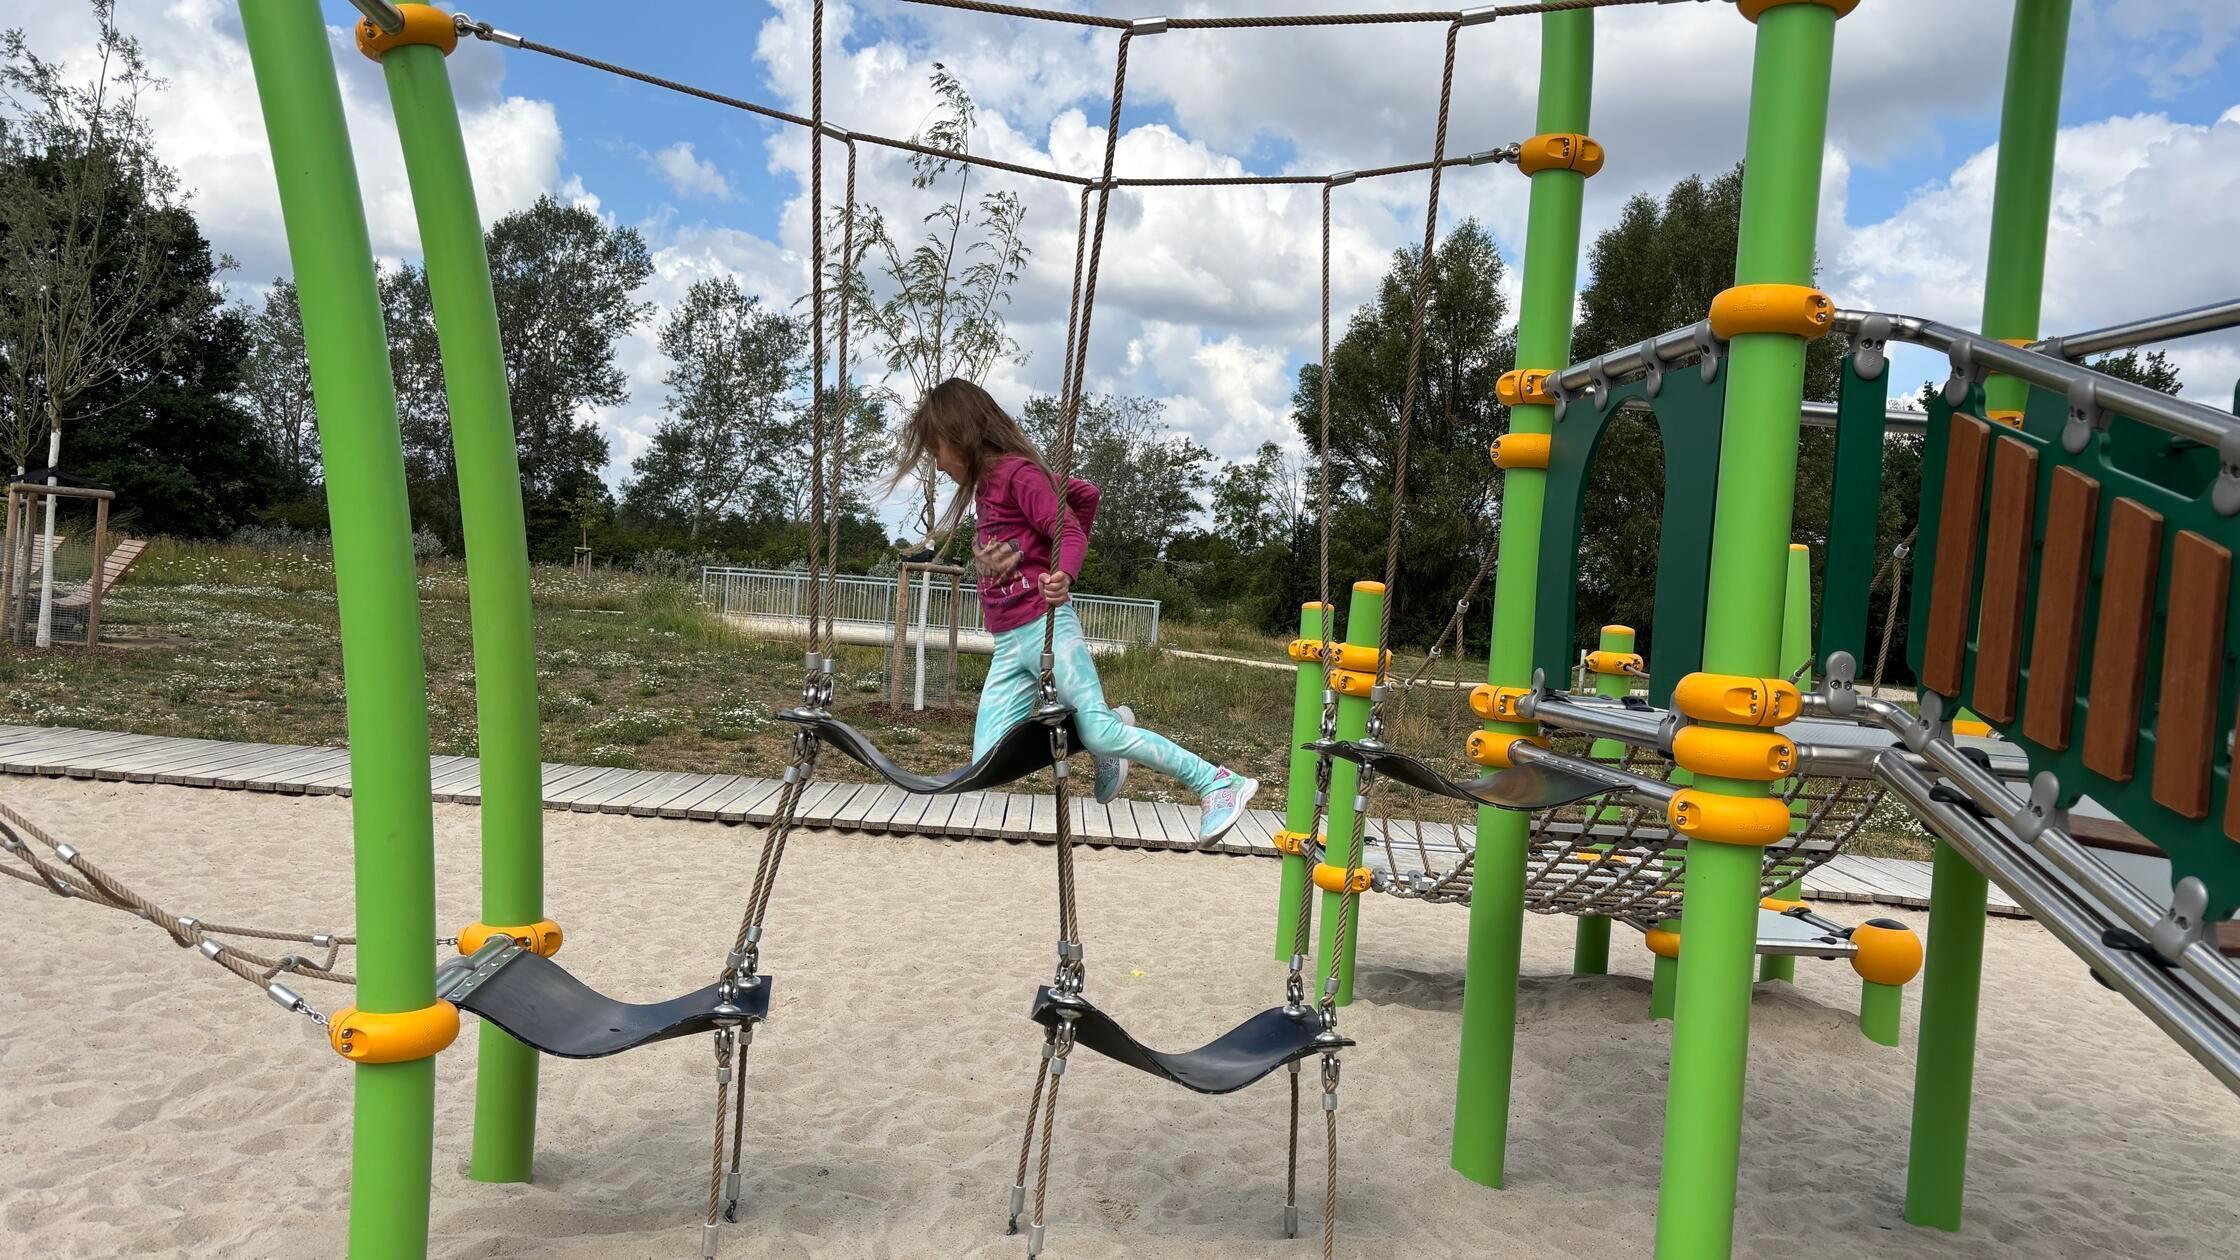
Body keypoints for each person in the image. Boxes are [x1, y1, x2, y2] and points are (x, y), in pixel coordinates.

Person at [889, 378, 1258, 844]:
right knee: (988, 758)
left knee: (1099, 730)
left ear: (961, 434)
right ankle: (1097, 730)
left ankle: (1215, 781)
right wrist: (1015, 554)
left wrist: (1061, 571)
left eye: (937, 450)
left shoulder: (1017, 474)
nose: (938, 464)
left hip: (1048, 627)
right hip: (1009, 645)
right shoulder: (988, 487)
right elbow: (1082, 493)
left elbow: (1070, 525)